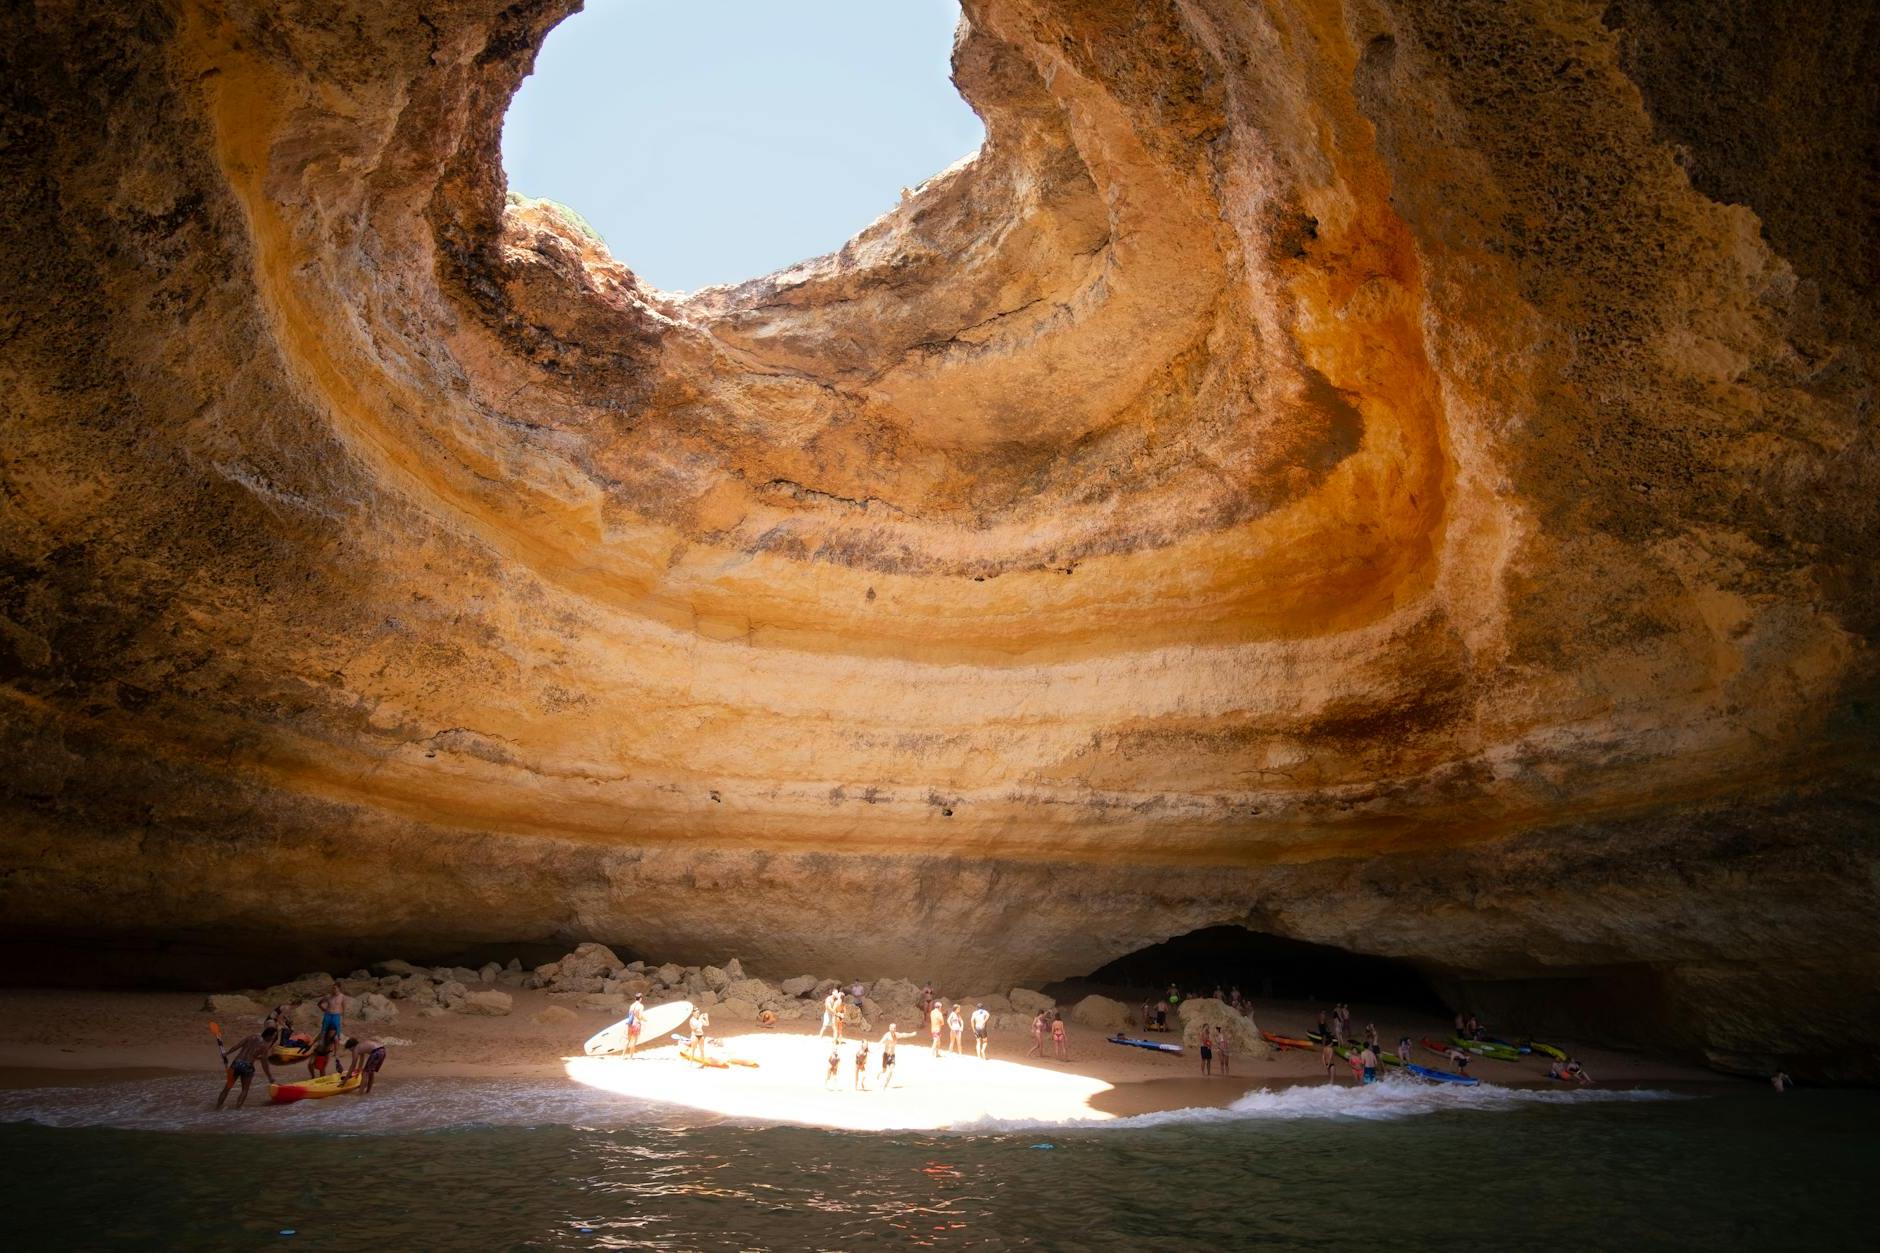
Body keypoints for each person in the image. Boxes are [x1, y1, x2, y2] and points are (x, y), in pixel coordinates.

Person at [217, 1026, 278, 1109]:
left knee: (227, 1088)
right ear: (268, 1035)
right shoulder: (264, 1046)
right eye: (273, 1036)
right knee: (244, 1090)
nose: (273, 1038)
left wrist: (227, 1053)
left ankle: (217, 1108)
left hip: (237, 1063)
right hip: (247, 1066)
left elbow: (237, 1045)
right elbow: (264, 1064)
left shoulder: (252, 1036)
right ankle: (238, 1109)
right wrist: (269, 1077)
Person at [879, 1024, 916, 1089]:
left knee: (891, 1071)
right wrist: (879, 1045)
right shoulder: (887, 1035)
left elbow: (904, 1034)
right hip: (886, 1055)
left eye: (894, 1028)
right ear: (889, 1028)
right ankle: (879, 1073)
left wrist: (911, 1034)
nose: (893, 1030)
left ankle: (885, 1085)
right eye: (892, 1028)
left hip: (892, 1055)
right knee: (884, 1071)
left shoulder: (897, 1035)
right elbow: (881, 1041)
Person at [316, 982, 349, 1049]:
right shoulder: (328, 996)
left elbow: (344, 1008)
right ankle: (322, 1044)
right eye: (332, 988)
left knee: (337, 1031)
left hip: (336, 1015)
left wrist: (344, 1019)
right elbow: (319, 1003)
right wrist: (323, 1009)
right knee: (324, 1029)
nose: (333, 990)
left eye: (335, 988)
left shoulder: (342, 997)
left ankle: (335, 1048)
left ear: (339, 989)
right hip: (328, 1015)